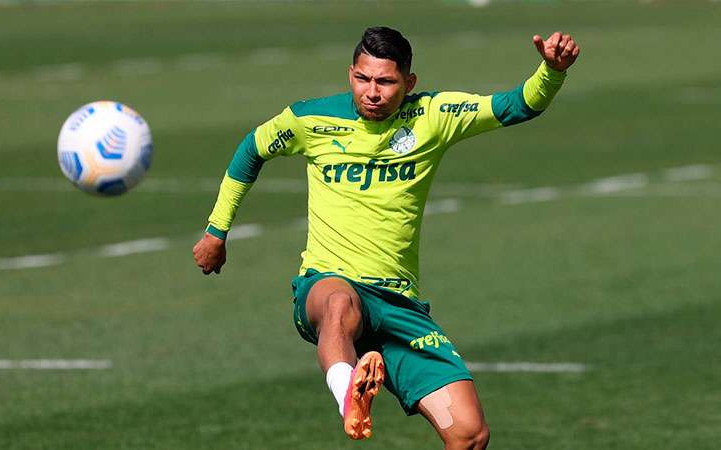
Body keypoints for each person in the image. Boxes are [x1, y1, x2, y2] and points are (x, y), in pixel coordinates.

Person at [193, 26, 579, 449]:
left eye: (386, 82)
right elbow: (252, 149)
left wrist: (552, 71)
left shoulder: (434, 115)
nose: (372, 92)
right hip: (327, 284)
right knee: (341, 303)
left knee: (469, 435)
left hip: (399, 305)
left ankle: (362, 384)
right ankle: (350, 399)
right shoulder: (310, 119)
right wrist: (216, 231)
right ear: (351, 74)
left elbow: (516, 106)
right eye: (363, 79)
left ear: (409, 83)